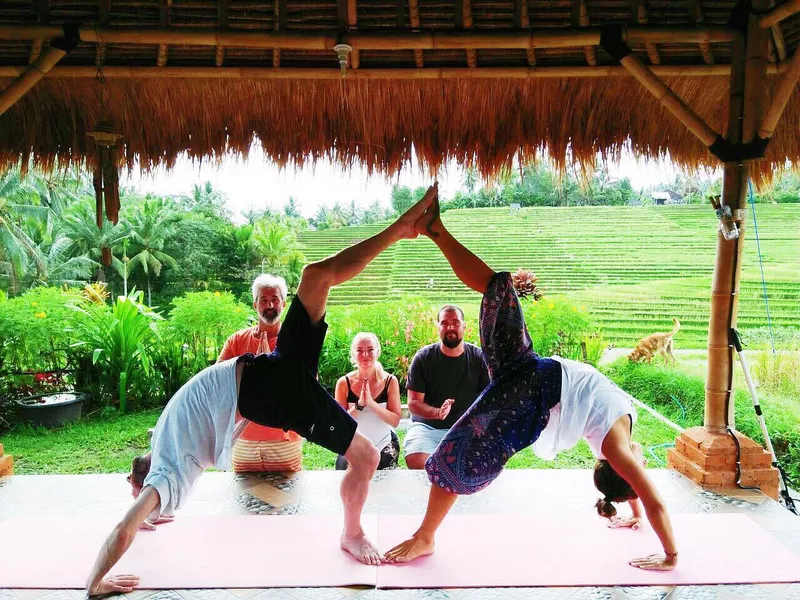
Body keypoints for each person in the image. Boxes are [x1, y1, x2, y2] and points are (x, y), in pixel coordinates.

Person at [85, 186, 438, 597]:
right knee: (316, 278)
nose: (155, 499)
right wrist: (147, 504)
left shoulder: (167, 466)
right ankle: (352, 532)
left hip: (271, 388)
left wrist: (95, 584)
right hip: (267, 375)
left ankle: (352, 532)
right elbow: (141, 489)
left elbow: (124, 527)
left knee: (367, 454)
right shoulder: (163, 431)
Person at [383, 187, 678, 571]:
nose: (641, 465)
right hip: (529, 367)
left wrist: (670, 556)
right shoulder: (620, 449)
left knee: (462, 451)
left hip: (531, 395)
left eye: (634, 474)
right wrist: (634, 513)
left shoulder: (618, 447)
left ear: (620, 468)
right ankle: (435, 227)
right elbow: (637, 489)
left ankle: (424, 536)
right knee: (499, 289)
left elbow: (650, 495)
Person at [218, 274, 303, 472]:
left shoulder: (297, 342)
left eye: (275, 299)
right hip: (244, 439)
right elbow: (219, 383)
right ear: (255, 304)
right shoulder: (236, 341)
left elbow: (307, 386)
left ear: (283, 303)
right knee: (244, 499)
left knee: (288, 498)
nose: (270, 305)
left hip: (284, 440)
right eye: (264, 300)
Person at [404, 305, 489, 469]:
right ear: (438, 328)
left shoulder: (479, 358)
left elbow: (489, 400)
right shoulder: (423, 358)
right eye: (444, 323)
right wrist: (437, 412)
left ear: (464, 326)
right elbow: (413, 403)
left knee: (480, 461)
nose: (450, 327)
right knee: (417, 460)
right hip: (427, 428)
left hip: (466, 429)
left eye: (456, 322)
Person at [335, 332, 401, 470]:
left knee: (380, 485)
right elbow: (339, 424)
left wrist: (371, 403)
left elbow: (394, 420)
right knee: (349, 484)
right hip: (352, 445)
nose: (365, 355)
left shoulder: (390, 381)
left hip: (384, 444)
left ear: (377, 352)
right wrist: (359, 405)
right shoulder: (344, 383)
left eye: (370, 350)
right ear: (353, 354)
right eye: (359, 351)